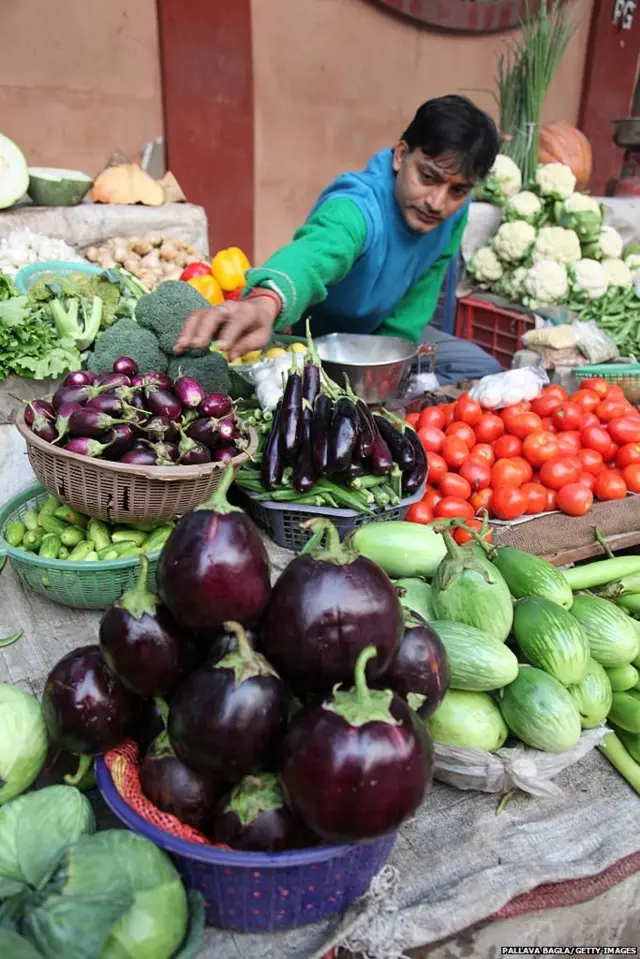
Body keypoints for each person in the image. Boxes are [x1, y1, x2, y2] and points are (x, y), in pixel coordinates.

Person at [175, 94, 503, 385]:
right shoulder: (356, 209)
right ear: (401, 155)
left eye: (458, 190)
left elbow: (419, 298)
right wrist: (265, 301)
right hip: (311, 344)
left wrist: (386, 367)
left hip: (375, 341)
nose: (437, 203)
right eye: (427, 177)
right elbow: (315, 253)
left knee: (483, 366)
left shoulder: (454, 215)